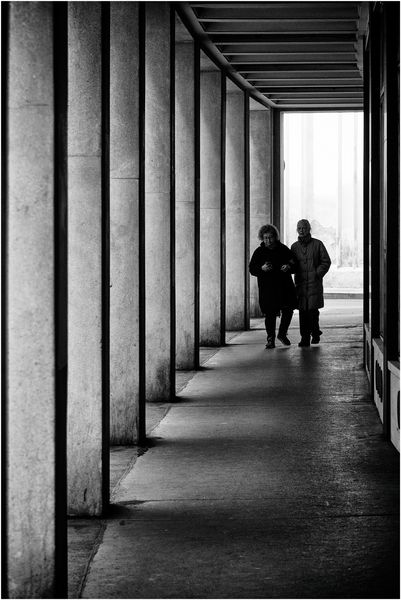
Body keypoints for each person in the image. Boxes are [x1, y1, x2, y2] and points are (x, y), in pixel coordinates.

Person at [249, 224, 298, 349]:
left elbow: (295, 264)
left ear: (275, 237)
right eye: (265, 238)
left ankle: (282, 333)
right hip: (268, 289)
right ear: (262, 238)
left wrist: (289, 267)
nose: (268, 241)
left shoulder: (283, 249)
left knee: (288, 310)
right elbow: (252, 269)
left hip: (284, 287)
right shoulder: (259, 252)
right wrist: (262, 268)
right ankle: (270, 338)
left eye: (270, 237)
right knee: (270, 314)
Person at [291, 219, 331, 347]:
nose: (302, 230)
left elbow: (326, 261)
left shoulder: (318, 244)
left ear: (309, 229)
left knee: (313, 312)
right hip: (301, 284)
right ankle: (305, 338)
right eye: (299, 228)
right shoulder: (294, 247)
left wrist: (317, 273)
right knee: (303, 313)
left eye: (304, 228)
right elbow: (292, 263)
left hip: (314, 283)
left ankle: (315, 332)